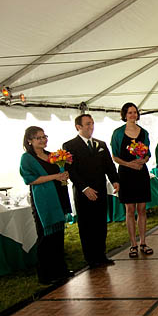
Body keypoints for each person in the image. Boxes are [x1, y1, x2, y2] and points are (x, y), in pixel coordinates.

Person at [63, 114, 120, 269]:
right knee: (87, 225)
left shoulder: (100, 144)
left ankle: (101, 255)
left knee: (101, 223)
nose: (91, 127)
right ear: (78, 127)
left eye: (92, 123)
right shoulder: (69, 146)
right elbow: (71, 170)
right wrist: (84, 188)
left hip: (101, 189)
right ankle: (90, 258)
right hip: (83, 192)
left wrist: (115, 180)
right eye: (87, 124)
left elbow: (109, 165)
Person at [19, 127, 71, 284]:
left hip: (58, 197)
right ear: (29, 140)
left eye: (44, 136)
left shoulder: (52, 156)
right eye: (38, 138)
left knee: (58, 236)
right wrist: (55, 176)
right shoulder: (27, 158)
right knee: (45, 238)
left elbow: (60, 173)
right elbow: (30, 180)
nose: (43, 140)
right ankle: (46, 274)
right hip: (43, 202)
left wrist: (64, 175)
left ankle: (60, 270)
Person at [111, 102, 153, 258]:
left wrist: (143, 161)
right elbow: (115, 156)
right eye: (129, 112)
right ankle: (133, 244)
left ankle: (143, 241)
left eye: (135, 112)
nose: (133, 115)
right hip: (126, 173)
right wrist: (129, 164)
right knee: (130, 210)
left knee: (142, 209)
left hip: (141, 172)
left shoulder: (144, 132)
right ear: (124, 115)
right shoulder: (118, 133)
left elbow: (148, 152)